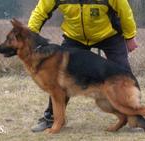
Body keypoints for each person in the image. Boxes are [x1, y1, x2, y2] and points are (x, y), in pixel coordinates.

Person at [28, 0, 138, 132]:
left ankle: (137, 117)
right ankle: (51, 118)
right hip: (75, 38)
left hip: (109, 35)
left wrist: (130, 36)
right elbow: (40, 12)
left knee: (124, 74)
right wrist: (29, 36)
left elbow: (124, 11)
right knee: (58, 79)